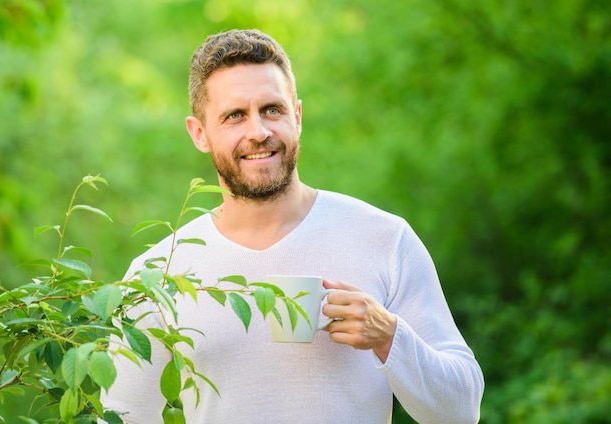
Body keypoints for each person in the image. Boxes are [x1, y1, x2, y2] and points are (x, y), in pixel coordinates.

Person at [101, 29, 484, 423]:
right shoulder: (159, 272)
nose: (258, 131)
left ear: (297, 116)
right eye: (235, 116)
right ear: (199, 133)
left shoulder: (383, 238)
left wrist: (389, 337)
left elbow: (461, 412)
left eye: (272, 109)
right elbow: (121, 417)